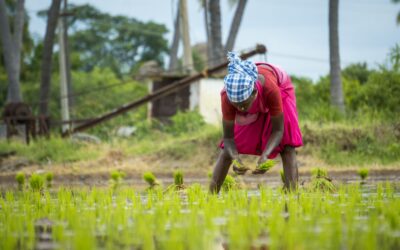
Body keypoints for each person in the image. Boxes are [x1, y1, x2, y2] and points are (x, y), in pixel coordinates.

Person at [209, 52, 303, 193]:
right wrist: (235, 158)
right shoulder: (227, 96)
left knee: (287, 146)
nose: (240, 108)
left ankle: (293, 193)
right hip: (258, 98)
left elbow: (278, 130)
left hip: (280, 88)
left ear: (253, 93)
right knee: (226, 152)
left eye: (244, 104)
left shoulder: (271, 89)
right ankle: (210, 195)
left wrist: (265, 155)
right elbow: (228, 139)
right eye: (236, 105)